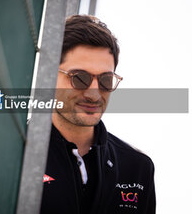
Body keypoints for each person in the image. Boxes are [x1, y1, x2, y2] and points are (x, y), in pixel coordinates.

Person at [40, 15, 156, 214]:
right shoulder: (11, 153)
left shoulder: (137, 168)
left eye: (105, 80)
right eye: (80, 78)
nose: (94, 94)